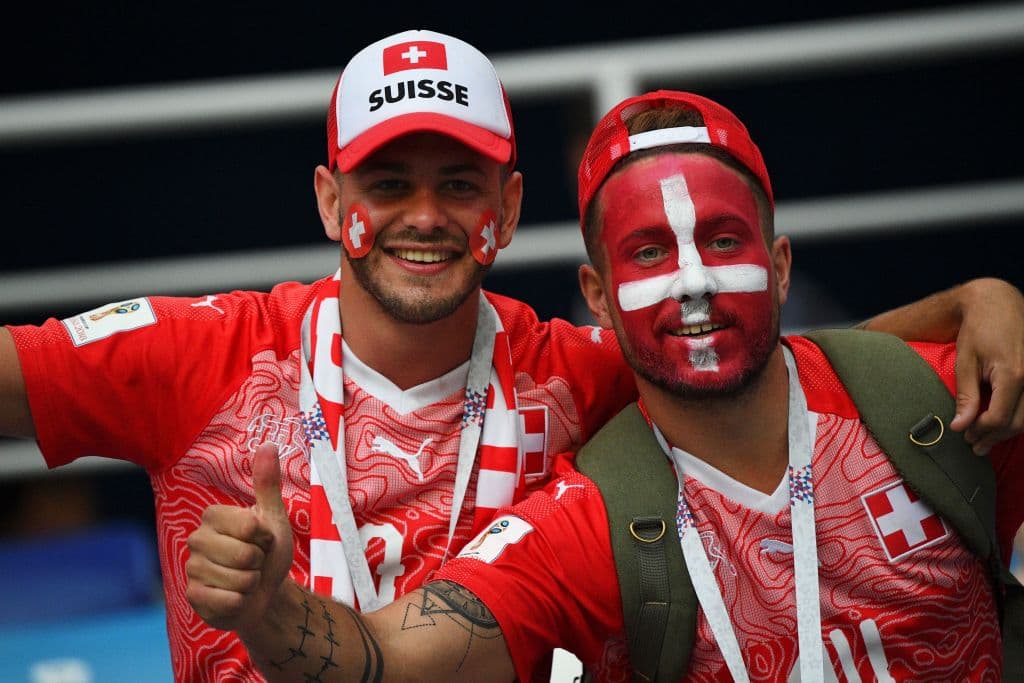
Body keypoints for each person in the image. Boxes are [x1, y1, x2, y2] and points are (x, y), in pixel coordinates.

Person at [0, 30, 1019, 680]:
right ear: (329, 201)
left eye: (459, 182)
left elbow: (757, 356)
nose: (426, 215)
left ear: (508, 207)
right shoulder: (201, 354)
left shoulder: (575, 371)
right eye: (388, 183)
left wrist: (972, 301)